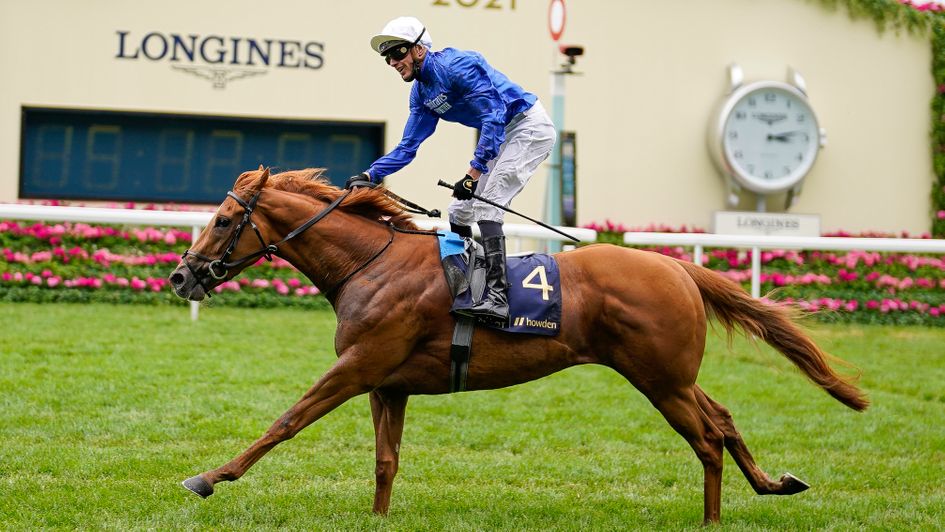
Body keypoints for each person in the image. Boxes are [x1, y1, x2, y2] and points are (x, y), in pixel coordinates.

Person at [347, 16, 556, 327]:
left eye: (397, 53)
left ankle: (498, 298)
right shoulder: (421, 93)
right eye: (387, 57)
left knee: (486, 206)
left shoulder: (457, 66)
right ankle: (468, 286)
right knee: (458, 210)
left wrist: (473, 174)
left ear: (418, 50)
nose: (392, 62)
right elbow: (408, 147)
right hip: (503, 134)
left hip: (528, 126)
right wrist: (370, 175)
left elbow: (494, 115)